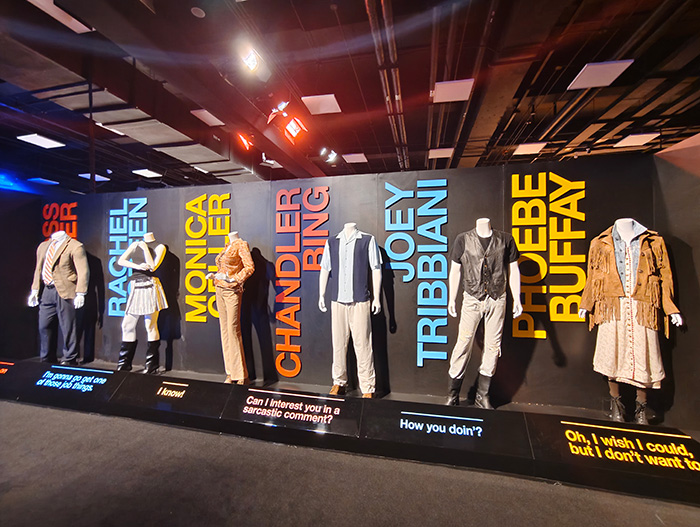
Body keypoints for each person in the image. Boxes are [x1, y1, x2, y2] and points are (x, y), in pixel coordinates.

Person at [579, 218, 682, 425]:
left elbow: (665, 276)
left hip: (643, 305)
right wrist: (586, 304)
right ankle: (617, 406)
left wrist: (670, 308)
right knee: (611, 354)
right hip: (611, 305)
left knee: (644, 355)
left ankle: (641, 409)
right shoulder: (599, 242)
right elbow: (593, 275)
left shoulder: (653, 241)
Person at [446, 218, 522, 408]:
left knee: (493, 346)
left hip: (497, 298)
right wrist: (451, 299)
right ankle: (453, 394)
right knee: (463, 343)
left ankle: (482, 395)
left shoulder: (506, 240)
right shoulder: (463, 239)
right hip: (472, 298)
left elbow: (514, 270)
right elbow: (455, 271)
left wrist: (517, 298)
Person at [319, 222, 382, 398]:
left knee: (363, 345)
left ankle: (367, 387)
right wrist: (321, 294)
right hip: (338, 301)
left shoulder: (367, 240)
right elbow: (325, 269)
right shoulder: (332, 242)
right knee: (338, 344)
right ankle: (338, 382)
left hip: (360, 301)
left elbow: (376, 268)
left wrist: (377, 297)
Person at [28, 230, 89, 365]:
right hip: (47, 290)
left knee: (68, 326)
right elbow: (38, 269)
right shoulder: (44, 246)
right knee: (44, 325)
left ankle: (69, 358)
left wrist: (80, 293)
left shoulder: (75, 246)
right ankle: (47, 357)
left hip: (66, 290)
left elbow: (83, 271)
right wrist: (35, 290)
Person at [206, 231, 254, 384]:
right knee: (225, 330)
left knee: (233, 330)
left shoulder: (241, 245)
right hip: (219, 289)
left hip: (232, 291)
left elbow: (249, 267)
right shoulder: (227, 245)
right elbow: (224, 269)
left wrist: (233, 279)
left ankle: (241, 375)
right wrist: (215, 276)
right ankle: (230, 373)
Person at [116, 232, 167, 374]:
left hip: (150, 285)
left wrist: (145, 249)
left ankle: (151, 365)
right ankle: (124, 364)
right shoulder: (135, 244)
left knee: (150, 325)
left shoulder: (160, 247)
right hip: (135, 285)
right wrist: (137, 266)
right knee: (127, 325)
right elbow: (121, 261)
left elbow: (152, 266)